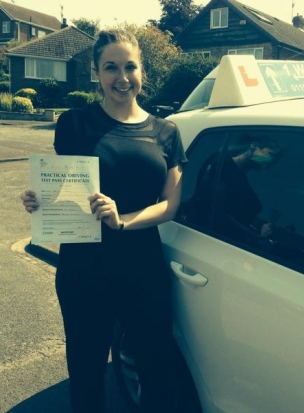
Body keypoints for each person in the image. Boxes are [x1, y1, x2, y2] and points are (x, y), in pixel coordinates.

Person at [20, 29, 187, 412]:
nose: (122, 77)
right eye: (111, 67)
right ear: (96, 72)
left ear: (142, 71)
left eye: (130, 67)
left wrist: (123, 219)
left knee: (157, 372)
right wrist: (39, 201)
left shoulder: (166, 132)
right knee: (86, 373)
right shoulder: (75, 124)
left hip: (144, 270)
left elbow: (169, 205)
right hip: (84, 270)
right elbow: (62, 186)